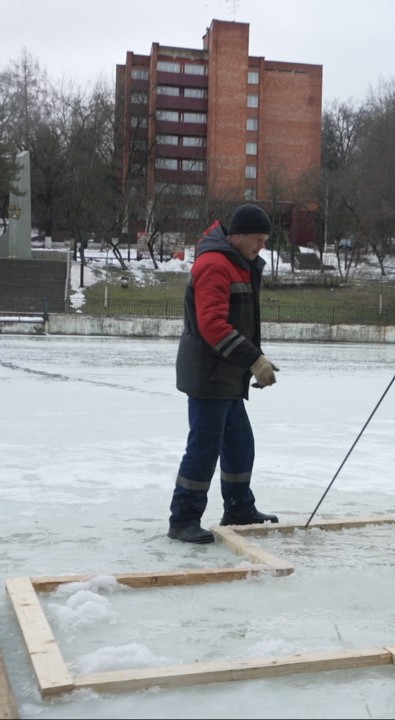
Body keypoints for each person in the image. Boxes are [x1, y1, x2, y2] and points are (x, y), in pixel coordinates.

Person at [167, 203, 281, 544]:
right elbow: (213, 326)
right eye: (258, 240)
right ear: (240, 235)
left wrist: (249, 362)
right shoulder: (215, 265)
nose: (261, 246)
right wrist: (254, 360)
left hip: (226, 375)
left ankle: (239, 508)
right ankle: (183, 519)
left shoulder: (237, 262)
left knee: (239, 443)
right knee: (204, 447)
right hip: (209, 374)